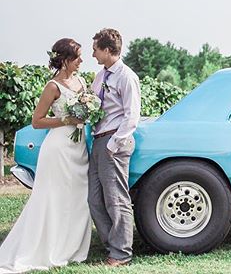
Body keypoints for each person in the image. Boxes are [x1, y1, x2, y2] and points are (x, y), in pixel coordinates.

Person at [0, 38, 92, 274]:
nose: (82, 60)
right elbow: (37, 121)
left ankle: (71, 247)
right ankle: (48, 247)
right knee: (53, 198)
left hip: (79, 147)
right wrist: (66, 120)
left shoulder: (81, 81)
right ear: (64, 59)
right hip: (58, 148)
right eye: (77, 57)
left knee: (78, 198)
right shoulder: (53, 87)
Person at [88, 28, 141, 267]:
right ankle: (112, 245)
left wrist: (113, 144)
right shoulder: (100, 76)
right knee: (94, 199)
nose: (93, 54)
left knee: (116, 199)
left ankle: (121, 254)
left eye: (96, 49)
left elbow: (132, 116)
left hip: (114, 143)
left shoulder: (126, 76)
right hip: (99, 141)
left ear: (108, 50)